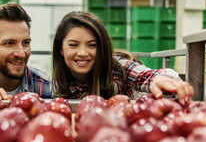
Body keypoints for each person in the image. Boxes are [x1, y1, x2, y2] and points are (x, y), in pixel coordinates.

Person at [52, 11, 194, 105]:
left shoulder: (117, 67)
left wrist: (158, 79)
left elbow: (146, 75)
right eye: (73, 45)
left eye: (92, 45)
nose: (82, 53)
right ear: (61, 49)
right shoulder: (60, 84)